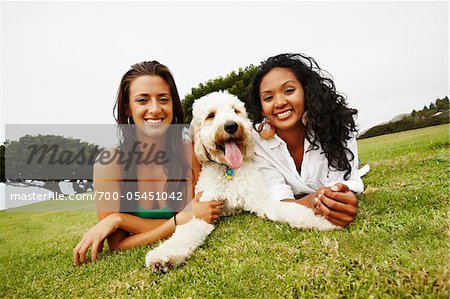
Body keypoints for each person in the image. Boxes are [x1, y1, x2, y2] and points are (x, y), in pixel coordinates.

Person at [73, 61, 223, 266]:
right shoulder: (109, 163)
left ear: (173, 104)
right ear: (127, 108)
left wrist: (120, 220)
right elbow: (118, 244)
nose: (155, 109)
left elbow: (202, 214)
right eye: (142, 100)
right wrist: (178, 220)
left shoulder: (191, 151)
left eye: (163, 99)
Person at [247, 53, 363, 228]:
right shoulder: (256, 144)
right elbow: (277, 199)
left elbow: (344, 183)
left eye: (289, 91)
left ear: (306, 92)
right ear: (262, 109)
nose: (279, 103)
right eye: (268, 98)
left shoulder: (337, 124)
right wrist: (311, 201)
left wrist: (339, 196)